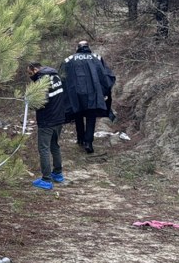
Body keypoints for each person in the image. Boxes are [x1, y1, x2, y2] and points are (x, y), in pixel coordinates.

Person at [62, 40, 116, 153]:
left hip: (75, 94)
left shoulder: (69, 60)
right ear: (88, 47)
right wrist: (104, 92)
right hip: (92, 94)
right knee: (91, 117)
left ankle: (80, 139)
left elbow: (62, 78)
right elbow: (105, 76)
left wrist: (65, 96)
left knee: (78, 115)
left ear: (77, 47)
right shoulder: (96, 58)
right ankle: (89, 142)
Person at [27, 62, 69, 190]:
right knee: (54, 145)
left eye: (30, 73)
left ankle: (46, 179)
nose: (30, 76)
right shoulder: (55, 75)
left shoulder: (42, 80)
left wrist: (30, 102)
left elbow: (40, 102)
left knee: (44, 149)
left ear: (35, 69)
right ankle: (57, 173)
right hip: (59, 118)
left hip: (47, 120)